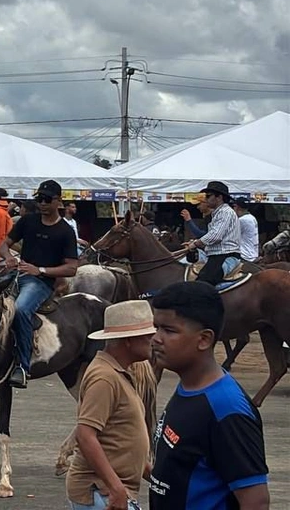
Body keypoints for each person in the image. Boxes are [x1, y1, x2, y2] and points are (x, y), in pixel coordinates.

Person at [148, 282, 269, 510]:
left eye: (169, 330)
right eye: (156, 328)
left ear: (204, 339)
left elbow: (256, 502)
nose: (156, 339)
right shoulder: (189, 387)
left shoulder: (226, 408)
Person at [65, 300, 156, 510]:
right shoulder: (105, 378)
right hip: (99, 490)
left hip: (108, 489)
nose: (154, 340)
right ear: (128, 341)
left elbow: (119, 437)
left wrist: (152, 474)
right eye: (147, 335)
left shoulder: (118, 373)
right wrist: (116, 488)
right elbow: (85, 435)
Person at [0, 179, 79, 389]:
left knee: (21, 309)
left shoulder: (65, 231)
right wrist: (8, 257)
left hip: (40, 283)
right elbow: (3, 246)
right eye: (39, 199)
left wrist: (41, 270)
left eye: (46, 199)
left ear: (58, 201)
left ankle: (22, 367)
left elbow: (72, 268)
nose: (42, 203)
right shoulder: (28, 221)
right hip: (17, 274)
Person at [182, 182, 242, 287]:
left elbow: (215, 236)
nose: (206, 199)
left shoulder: (225, 212)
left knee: (201, 285)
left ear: (219, 197)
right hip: (216, 256)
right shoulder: (218, 213)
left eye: (209, 196)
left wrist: (196, 244)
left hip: (224, 256)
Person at [232, 198, 259, 263]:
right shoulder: (252, 217)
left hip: (244, 255)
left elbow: (229, 235)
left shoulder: (242, 220)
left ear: (237, 207)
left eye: (234, 206)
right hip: (253, 253)